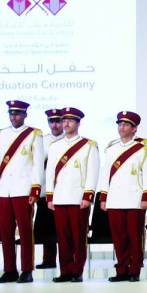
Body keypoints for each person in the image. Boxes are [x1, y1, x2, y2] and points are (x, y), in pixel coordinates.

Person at [0, 100, 45, 283]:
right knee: (5, 231)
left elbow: (38, 164)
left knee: (25, 231)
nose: (14, 117)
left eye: (17, 114)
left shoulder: (34, 134)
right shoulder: (1, 135)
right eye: (11, 114)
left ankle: (27, 269)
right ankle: (9, 270)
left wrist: (35, 189)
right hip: (4, 190)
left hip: (23, 190)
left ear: (25, 115)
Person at [96, 111, 147, 283]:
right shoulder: (111, 149)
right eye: (120, 124)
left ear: (134, 128)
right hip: (115, 199)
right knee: (119, 237)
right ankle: (121, 269)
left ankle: (134, 269)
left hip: (134, 199)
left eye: (126, 124)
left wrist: (146, 196)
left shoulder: (142, 149)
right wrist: (104, 197)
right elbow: (106, 174)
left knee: (134, 237)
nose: (121, 127)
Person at [45, 107, 100, 283]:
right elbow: (50, 173)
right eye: (64, 120)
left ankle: (78, 270)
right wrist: (50, 196)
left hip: (78, 198)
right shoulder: (55, 146)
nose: (66, 123)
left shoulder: (88, 145)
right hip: (60, 197)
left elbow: (92, 172)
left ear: (78, 123)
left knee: (78, 236)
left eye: (70, 120)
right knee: (63, 237)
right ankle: (65, 270)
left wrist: (88, 195)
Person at [35, 108, 64, 269]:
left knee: (63, 228)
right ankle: (49, 259)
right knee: (47, 228)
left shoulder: (69, 141)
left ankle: (67, 260)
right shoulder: (41, 141)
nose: (55, 125)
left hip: (64, 191)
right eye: (51, 121)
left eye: (58, 121)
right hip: (46, 190)